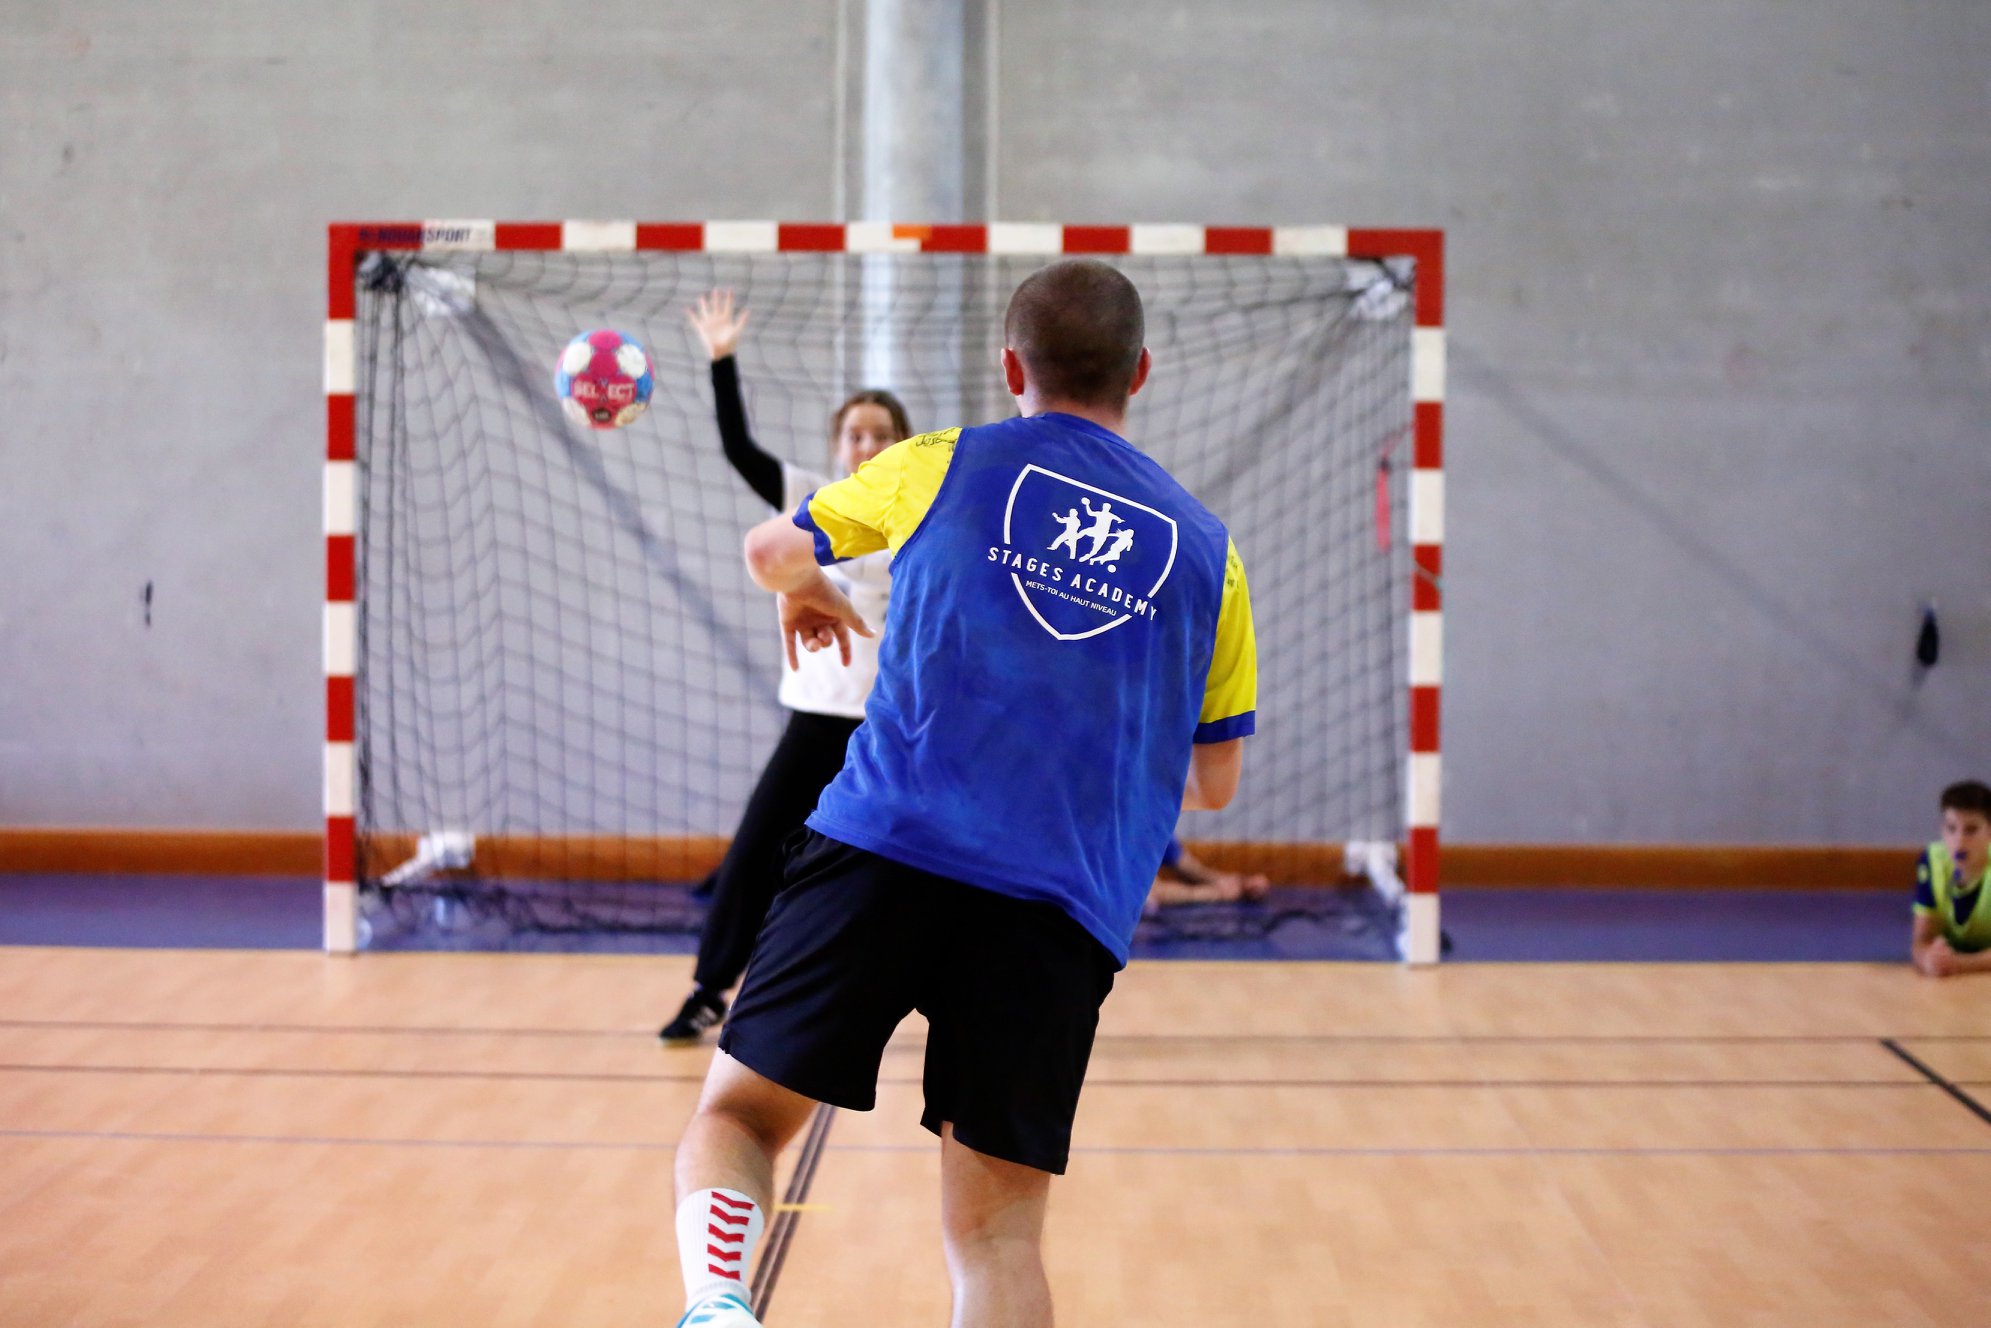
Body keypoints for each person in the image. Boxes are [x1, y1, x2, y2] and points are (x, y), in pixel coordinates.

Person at [666, 259, 1256, 1328]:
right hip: (1058, 905)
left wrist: (802, 587)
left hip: (885, 846)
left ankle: (716, 1303)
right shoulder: (1210, 556)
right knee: (994, 1238)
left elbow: (765, 549)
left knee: (740, 1117)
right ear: (1142, 370)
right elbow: (1212, 782)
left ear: (1009, 364)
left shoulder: (939, 461)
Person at [657, 290, 910, 1042]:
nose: (865, 447)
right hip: (817, 720)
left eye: (880, 436)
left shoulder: (921, 508)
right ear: (837, 446)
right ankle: (709, 990)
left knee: (914, 870)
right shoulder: (807, 496)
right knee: (753, 856)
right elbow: (739, 449)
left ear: (900, 444)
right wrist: (721, 359)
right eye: (855, 435)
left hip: (893, 728)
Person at [1911, 779, 1991, 978]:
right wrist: (1928, 958)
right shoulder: (1932, 861)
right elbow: (1921, 939)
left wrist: (1960, 964)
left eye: (1971, 830)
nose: (1959, 841)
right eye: (1951, 828)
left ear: (1990, 832)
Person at [1143, 835, 1271, 913]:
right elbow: (1151, 892)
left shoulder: (1152, 812)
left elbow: (1177, 857)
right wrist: (1215, 893)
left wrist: (1234, 882)